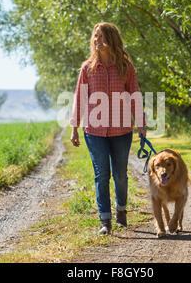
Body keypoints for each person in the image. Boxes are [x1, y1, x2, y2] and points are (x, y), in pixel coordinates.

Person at [70, 22, 147, 235]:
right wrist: (74, 126)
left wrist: (141, 122)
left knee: (120, 175)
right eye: (95, 36)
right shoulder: (87, 68)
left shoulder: (125, 66)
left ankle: (121, 211)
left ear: (111, 39)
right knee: (101, 175)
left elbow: (134, 94)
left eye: (101, 36)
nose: (97, 40)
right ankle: (105, 220)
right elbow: (80, 98)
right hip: (94, 132)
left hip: (122, 131)